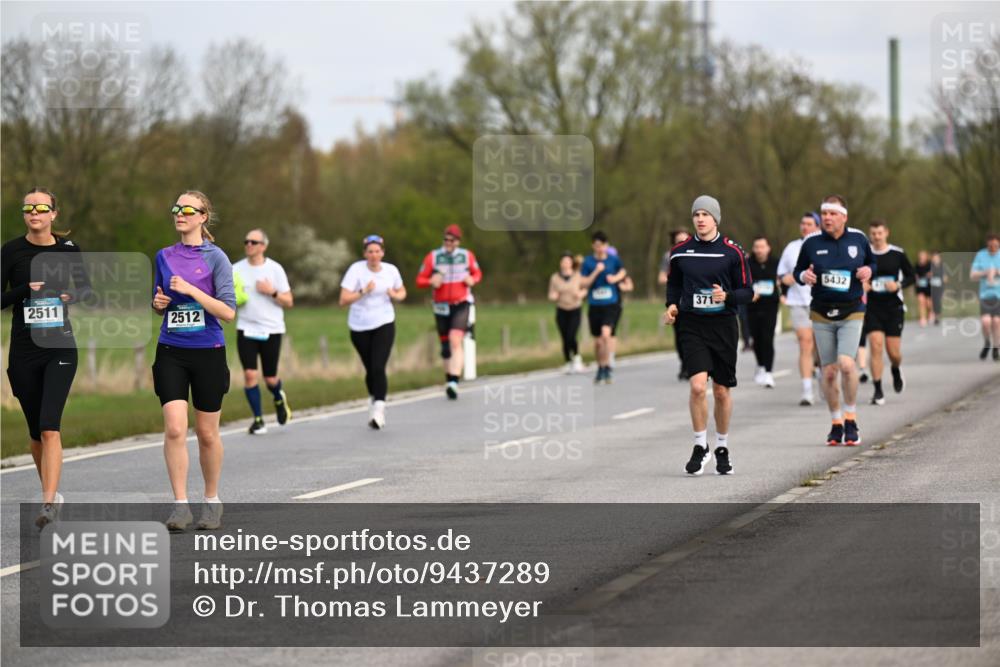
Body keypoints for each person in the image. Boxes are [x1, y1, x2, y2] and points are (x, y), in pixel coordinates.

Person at [2, 188, 92, 528]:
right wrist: (26, 290)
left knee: (50, 426)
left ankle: (49, 504)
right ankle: (52, 493)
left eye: (41, 208)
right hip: (24, 351)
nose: (34, 213)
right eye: (28, 208)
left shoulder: (68, 249)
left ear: (54, 213)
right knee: (36, 433)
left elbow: (87, 289)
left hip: (60, 347)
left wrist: (73, 295)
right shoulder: (11, 251)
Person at [151, 191, 236, 531]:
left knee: (206, 433)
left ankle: (212, 501)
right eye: (177, 208)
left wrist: (191, 290)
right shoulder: (163, 255)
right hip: (171, 349)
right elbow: (160, 300)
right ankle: (180, 506)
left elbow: (227, 312)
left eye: (188, 210)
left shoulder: (216, 258)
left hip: (208, 351)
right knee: (174, 428)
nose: (180, 214)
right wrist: (158, 303)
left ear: (203, 217)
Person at [664, 195, 753, 476]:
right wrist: (671, 306)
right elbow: (674, 285)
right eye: (696, 214)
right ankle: (700, 445)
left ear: (716, 218)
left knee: (722, 391)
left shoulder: (732, 252)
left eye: (705, 214)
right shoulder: (679, 252)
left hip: (724, 326)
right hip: (692, 325)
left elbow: (747, 292)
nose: (700, 219)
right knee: (698, 387)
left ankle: (722, 447)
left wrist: (726, 296)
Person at [794, 195, 876, 446]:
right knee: (829, 373)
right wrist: (804, 276)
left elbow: (871, 262)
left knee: (847, 364)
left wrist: (868, 270)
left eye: (832, 213)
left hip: (851, 310)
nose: (827, 218)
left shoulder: (858, 239)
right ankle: (836, 422)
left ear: (844, 216)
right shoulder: (811, 243)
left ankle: (851, 417)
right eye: (824, 213)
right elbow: (797, 271)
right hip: (821, 311)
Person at [340, 234, 407, 428]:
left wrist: (395, 295)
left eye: (377, 251)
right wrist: (363, 291)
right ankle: (373, 398)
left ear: (383, 253)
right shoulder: (356, 270)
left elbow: (402, 292)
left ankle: (379, 409)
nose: (374, 255)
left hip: (384, 321)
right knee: (370, 368)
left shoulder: (391, 271)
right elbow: (343, 299)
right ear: (365, 254)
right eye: (370, 251)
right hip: (359, 325)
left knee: (378, 366)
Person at [233, 229, 294, 435]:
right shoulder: (235, 269)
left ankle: (278, 397)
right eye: (246, 241)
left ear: (263, 246)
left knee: (269, 379)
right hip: (246, 327)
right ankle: (258, 419)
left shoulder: (275, 269)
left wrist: (272, 291)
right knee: (250, 375)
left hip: (272, 329)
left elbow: (289, 301)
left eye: (254, 242)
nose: (249, 244)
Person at [415, 224, 482, 399]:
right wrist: (431, 281)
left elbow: (478, 273)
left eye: (452, 240)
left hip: (462, 303)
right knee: (445, 347)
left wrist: (472, 279)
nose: (448, 243)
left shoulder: (467, 256)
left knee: (455, 339)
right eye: (446, 239)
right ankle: (449, 380)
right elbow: (419, 280)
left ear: (458, 241)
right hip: (441, 305)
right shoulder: (434, 257)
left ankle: (454, 381)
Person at [863, 219, 915, 406]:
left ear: (886, 233)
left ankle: (895, 367)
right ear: (870, 235)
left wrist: (898, 285)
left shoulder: (897, 254)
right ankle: (878, 390)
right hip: (872, 307)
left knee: (893, 352)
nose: (876, 237)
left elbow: (911, 276)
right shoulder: (865, 253)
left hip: (893, 307)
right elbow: (857, 275)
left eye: (879, 233)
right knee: (876, 346)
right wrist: (863, 285)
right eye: (873, 234)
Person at [777, 212, 821, 405]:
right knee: (805, 343)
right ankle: (807, 391)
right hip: (798, 302)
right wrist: (790, 279)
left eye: (809, 223)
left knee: (821, 347)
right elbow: (782, 276)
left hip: (822, 302)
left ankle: (821, 372)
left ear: (818, 226)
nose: (805, 227)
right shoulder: (791, 248)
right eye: (802, 223)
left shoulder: (824, 245)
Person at [580, 231, 627, 384]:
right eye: (597, 245)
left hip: (611, 303)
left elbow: (623, 271)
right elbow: (583, 283)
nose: (600, 248)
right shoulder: (587, 262)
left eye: (603, 245)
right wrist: (596, 272)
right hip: (595, 305)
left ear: (606, 246)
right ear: (593, 246)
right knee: (598, 341)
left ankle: (606, 366)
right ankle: (600, 366)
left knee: (606, 335)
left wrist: (615, 278)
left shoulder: (614, 260)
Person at [748, 236, 780, 388]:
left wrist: (784, 293)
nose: (759, 250)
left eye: (762, 247)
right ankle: (760, 365)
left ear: (768, 248)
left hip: (770, 305)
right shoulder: (747, 264)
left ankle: (768, 372)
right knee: (756, 338)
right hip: (752, 306)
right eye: (756, 247)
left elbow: (782, 279)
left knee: (768, 338)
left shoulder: (776, 263)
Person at [660, 229, 692, 380]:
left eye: (685, 240)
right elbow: (661, 277)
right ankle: (684, 364)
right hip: (676, 301)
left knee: (694, 333)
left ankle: (694, 364)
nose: (682, 243)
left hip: (693, 301)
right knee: (680, 335)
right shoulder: (670, 256)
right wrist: (674, 280)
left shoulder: (696, 254)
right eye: (679, 241)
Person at [548, 251, 586, 374]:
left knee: (571, 335)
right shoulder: (555, 277)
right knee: (564, 337)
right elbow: (551, 294)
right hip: (561, 309)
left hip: (575, 308)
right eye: (563, 261)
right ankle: (568, 362)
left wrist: (581, 294)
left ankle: (577, 358)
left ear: (571, 263)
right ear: (560, 263)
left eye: (568, 261)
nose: (565, 264)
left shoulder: (577, 275)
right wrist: (553, 296)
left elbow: (585, 288)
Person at [971, 233, 1000, 361]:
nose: (993, 248)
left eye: (995, 246)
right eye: (990, 246)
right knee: (986, 322)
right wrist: (985, 272)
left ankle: (996, 347)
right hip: (985, 295)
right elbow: (972, 275)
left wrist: (998, 272)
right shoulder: (981, 255)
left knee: (997, 322)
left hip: (999, 295)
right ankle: (987, 342)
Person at [914, 250, 933, 326]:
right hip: (920, 286)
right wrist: (916, 278)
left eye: (923, 256)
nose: (922, 257)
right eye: (920, 256)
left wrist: (930, 275)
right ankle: (923, 318)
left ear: (926, 257)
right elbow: (914, 274)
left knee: (928, 303)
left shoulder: (930, 265)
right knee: (921, 302)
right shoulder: (916, 265)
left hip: (928, 286)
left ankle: (930, 313)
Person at [929, 251, 946, 325]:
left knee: (938, 301)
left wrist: (945, 278)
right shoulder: (930, 266)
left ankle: (937, 316)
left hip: (940, 286)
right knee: (932, 301)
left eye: (937, 257)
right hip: (932, 286)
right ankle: (933, 315)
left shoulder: (942, 266)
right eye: (934, 257)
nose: (935, 258)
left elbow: (945, 277)